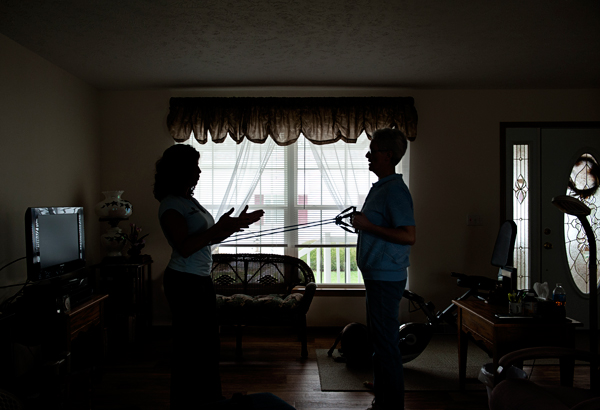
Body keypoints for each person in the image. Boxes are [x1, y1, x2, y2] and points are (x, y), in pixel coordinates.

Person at [153, 144, 264, 409]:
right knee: (191, 348)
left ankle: (211, 399)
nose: (199, 171)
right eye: (195, 167)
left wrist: (234, 226)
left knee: (207, 345)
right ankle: (188, 402)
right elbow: (185, 246)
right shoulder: (170, 205)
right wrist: (220, 227)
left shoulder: (189, 201)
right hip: (183, 282)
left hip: (199, 279)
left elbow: (208, 239)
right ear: (181, 171)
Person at [351, 128, 416, 410]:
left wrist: (368, 225)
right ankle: (383, 392)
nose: (368, 155)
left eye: (373, 150)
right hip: (376, 275)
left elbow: (408, 235)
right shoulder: (382, 187)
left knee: (386, 344)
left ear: (388, 155)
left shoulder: (396, 191)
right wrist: (365, 224)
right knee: (380, 340)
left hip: (385, 278)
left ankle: (390, 406)